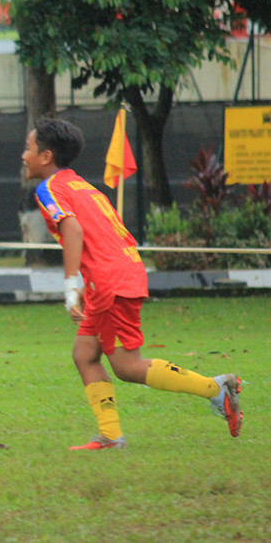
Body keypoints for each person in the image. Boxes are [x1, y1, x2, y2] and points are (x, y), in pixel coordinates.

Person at [21, 116, 243, 450]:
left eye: (28, 148)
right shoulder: (82, 185)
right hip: (118, 273)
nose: (23, 155)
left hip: (112, 281)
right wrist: (87, 285)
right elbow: (104, 237)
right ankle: (110, 436)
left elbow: (74, 231)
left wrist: (70, 288)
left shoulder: (49, 188)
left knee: (126, 366)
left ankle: (216, 388)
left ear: (46, 156)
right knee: (85, 354)